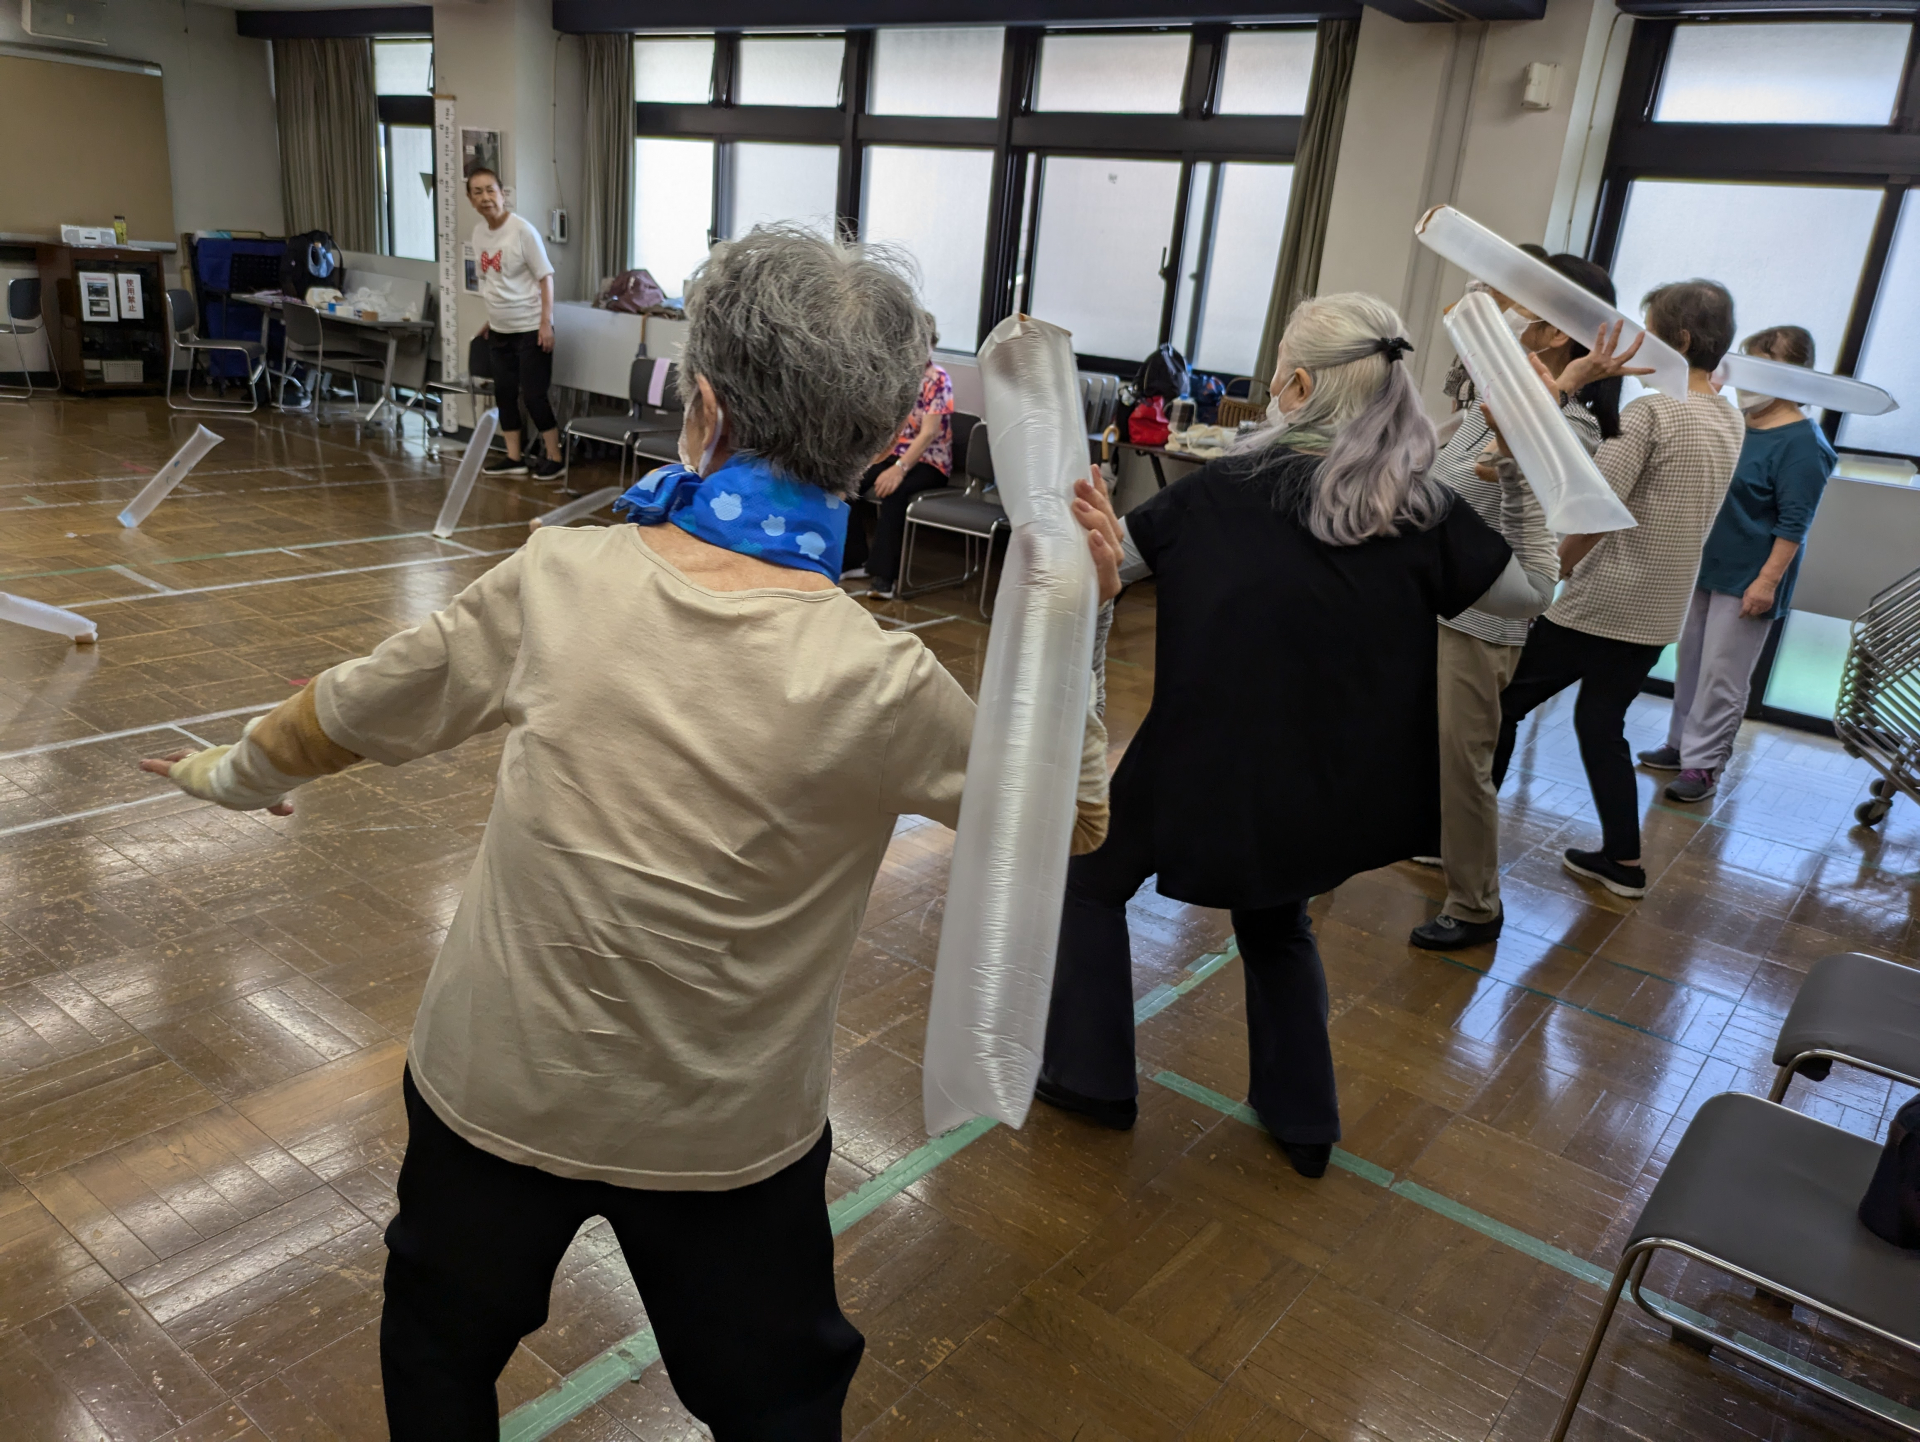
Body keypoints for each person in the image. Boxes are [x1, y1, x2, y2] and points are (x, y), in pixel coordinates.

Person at [137, 226, 1115, 1440]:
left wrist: (224, 774)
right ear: (874, 451)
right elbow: (1070, 819)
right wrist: (1078, 627)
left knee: (438, 1354)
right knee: (777, 1402)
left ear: (704, 409)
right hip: (729, 1134)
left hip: (497, 1089)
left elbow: (345, 710)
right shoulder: (885, 682)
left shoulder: (562, 579)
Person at [1038, 292, 1547, 1179]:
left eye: (1277, 373)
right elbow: (1528, 595)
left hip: (1197, 763)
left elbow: (1107, 564)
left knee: (1090, 882)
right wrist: (1521, 481)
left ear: (1301, 386)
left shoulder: (1217, 494)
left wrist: (1083, 532)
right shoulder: (1421, 509)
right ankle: (1303, 1118)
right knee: (1276, 921)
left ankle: (1090, 1080)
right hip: (1324, 781)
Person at [1411, 257, 1647, 950]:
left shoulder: (1574, 427)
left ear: (1555, 332)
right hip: (1434, 602)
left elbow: (1505, 468)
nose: (1504, 316)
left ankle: (1475, 905)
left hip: (1483, 618)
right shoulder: (1494, 399)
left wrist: (1566, 385)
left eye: (1521, 309)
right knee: (1420, 748)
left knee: (1465, 766)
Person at [1493, 280, 1746, 899]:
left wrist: (1550, 574)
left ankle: (1453, 834)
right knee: (1601, 722)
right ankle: (1623, 861)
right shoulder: (1728, 415)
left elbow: (1593, 508)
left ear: (1677, 339)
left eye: (1647, 330)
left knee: (1502, 706)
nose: (1637, 342)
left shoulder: (1653, 412)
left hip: (1603, 602)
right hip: (1659, 608)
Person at [1638, 325, 1836, 802]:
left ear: (1795, 375)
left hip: (1750, 575)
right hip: (1707, 563)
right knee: (1691, 662)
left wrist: (1766, 582)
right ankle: (1679, 744)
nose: (1749, 376)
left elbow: (1795, 522)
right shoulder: (1738, 422)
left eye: (1764, 365)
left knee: (1722, 674)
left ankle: (1704, 764)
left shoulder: (1803, 442)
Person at [467, 167, 564, 482]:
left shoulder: (523, 231)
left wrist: (546, 323)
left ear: (502, 194)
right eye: (478, 192)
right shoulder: (478, 234)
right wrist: (490, 320)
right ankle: (514, 457)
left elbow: (545, 278)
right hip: (499, 329)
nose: (485, 197)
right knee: (504, 393)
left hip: (530, 328)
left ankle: (555, 457)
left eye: (490, 190)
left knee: (534, 395)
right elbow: (492, 281)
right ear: (471, 199)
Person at [840, 347, 955, 598]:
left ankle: (884, 577)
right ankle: (854, 560)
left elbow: (928, 433)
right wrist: (869, 461)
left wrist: (899, 469)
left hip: (929, 461)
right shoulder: (898, 376)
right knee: (848, 483)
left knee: (895, 492)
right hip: (893, 453)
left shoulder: (938, 378)